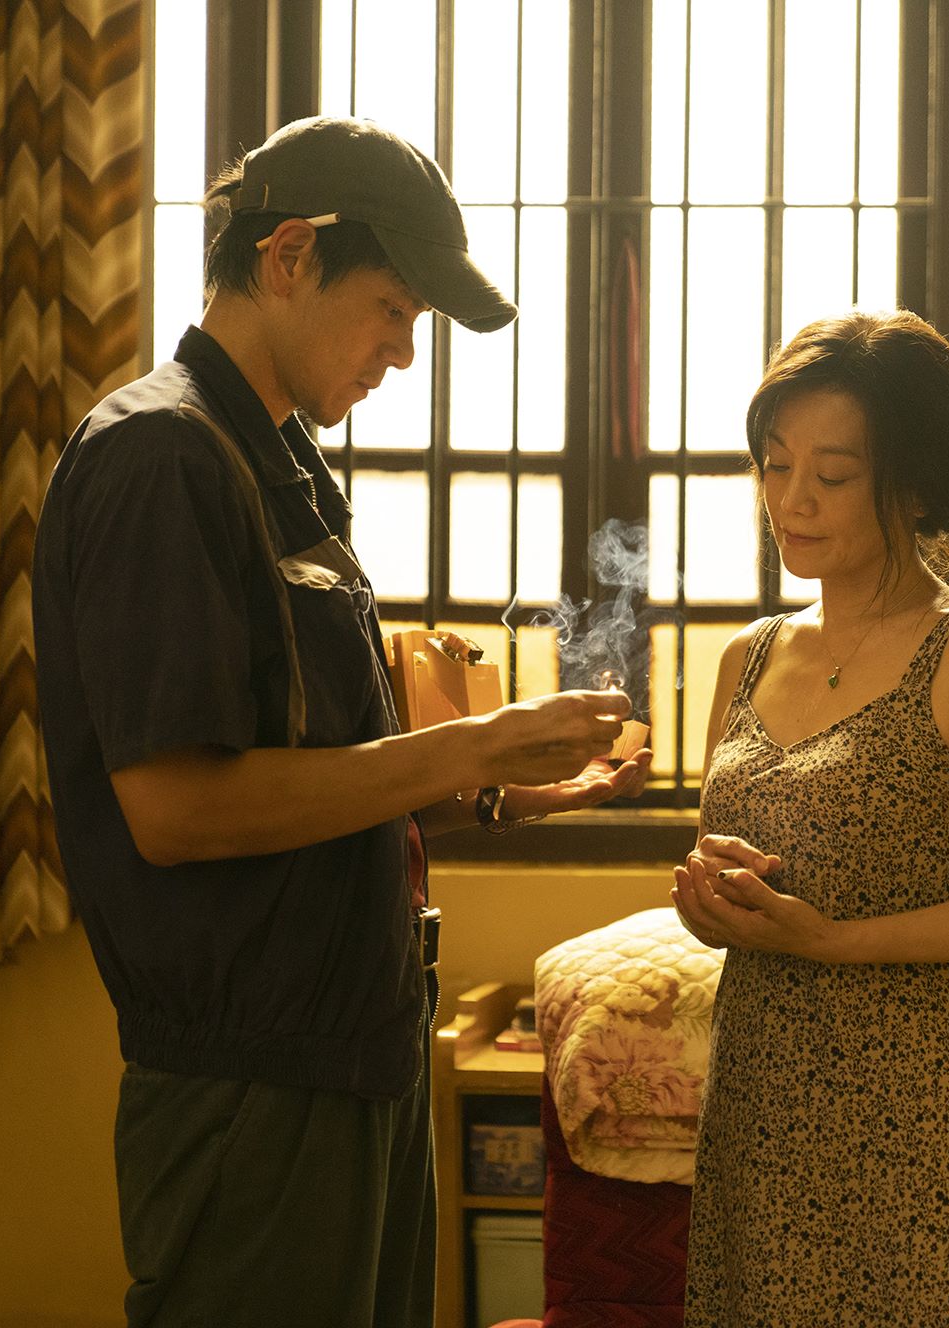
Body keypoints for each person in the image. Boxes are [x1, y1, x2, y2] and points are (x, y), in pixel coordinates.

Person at [32, 116, 650, 1328]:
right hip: (254, 1074)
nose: (403, 353)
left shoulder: (276, 459)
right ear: (287, 257)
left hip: (354, 1039)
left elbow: (312, 766)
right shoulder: (161, 454)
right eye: (392, 310)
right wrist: (470, 742)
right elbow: (176, 810)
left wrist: (490, 790)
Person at [669, 310, 949, 1325]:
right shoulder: (748, 655)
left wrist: (836, 942)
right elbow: (731, 860)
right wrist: (708, 900)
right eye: (775, 465)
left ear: (911, 484)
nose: (791, 499)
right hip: (757, 1093)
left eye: (833, 473)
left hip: (906, 1105)